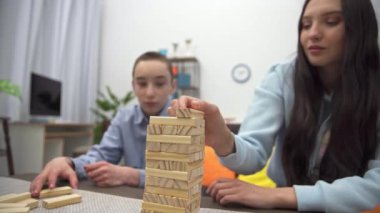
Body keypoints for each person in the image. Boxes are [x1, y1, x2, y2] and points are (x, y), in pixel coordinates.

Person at [170, 0, 380, 212]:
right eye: (306, 25)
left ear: (360, 27)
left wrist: (281, 195)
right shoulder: (282, 76)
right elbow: (253, 154)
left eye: (331, 21)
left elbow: (376, 184)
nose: (313, 34)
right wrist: (224, 139)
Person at [30, 51, 176, 197]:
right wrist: (69, 163)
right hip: (133, 199)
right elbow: (102, 155)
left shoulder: (184, 120)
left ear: (172, 86)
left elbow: (183, 177)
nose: (150, 92)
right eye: (142, 83)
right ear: (133, 86)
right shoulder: (124, 117)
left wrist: (130, 175)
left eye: (159, 83)